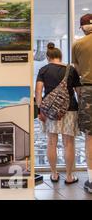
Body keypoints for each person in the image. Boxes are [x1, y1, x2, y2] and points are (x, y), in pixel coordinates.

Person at [36, 42, 81, 184]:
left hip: (50, 112)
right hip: (70, 109)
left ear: (48, 57)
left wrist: (40, 109)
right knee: (68, 143)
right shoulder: (71, 70)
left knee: (51, 143)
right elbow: (78, 91)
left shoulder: (43, 70)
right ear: (60, 56)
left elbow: (38, 91)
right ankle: (69, 177)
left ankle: (54, 174)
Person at [72, 13, 92, 193]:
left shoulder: (78, 44)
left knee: (90, 137)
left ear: (83, 27)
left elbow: (76, 70)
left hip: (88, 90)